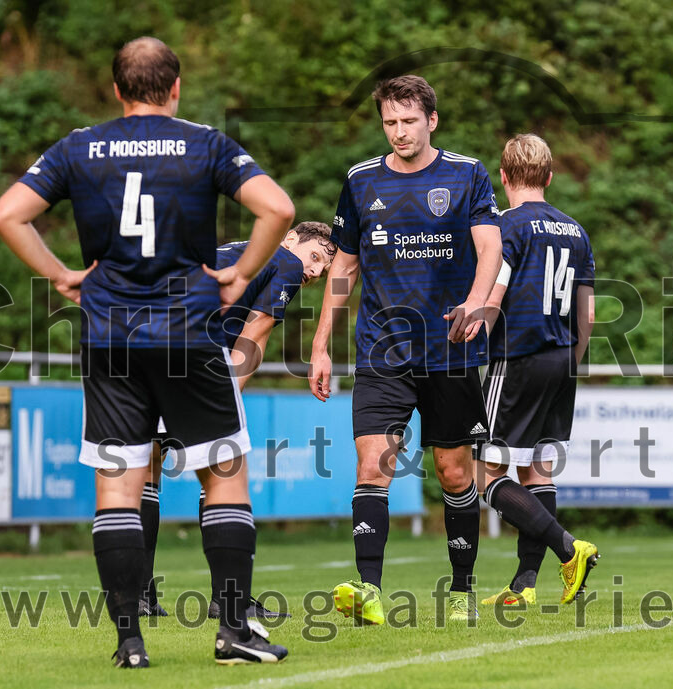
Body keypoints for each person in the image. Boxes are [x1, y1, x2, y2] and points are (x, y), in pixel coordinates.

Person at [0, 37, 295, 666]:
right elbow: (278, 208)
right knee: (224, 474)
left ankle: (129, 642)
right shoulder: (205, 143)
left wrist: (60, 275)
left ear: (116, 90)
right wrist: (241, 274)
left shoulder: (80, 146)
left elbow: (6, 215)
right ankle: (233, 632)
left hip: (110, 339)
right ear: (176, 87)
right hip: (188, 334)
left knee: (119, 486)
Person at [309, 75, 502, 624]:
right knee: (373, 464)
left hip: (451, 349)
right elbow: (344, 267)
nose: (399, 131)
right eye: (390, 122)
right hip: (382, 350)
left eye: (409, 121)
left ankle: (462, 590)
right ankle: (368, 589)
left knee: (454, 473)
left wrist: (475, 303)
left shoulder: (466, 174)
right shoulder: (361, 180)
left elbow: (491, 247)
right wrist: (321, 344)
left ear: (432, 121)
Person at [139, 222, 336, 618]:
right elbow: (256, 331)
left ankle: (139, 595)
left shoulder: (242, 249)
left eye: (322, 270)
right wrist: (225, 396)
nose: (314, 271)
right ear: (291, 238)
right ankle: (228, 598)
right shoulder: (284, 261)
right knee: (224, 472)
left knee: (148, 470)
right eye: (314, 257)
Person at [472, 134, 598, 608]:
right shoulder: (576, 231)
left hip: (518, 357)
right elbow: (587, 313)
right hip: (563, 357)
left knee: (485, 474)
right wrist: (572, 359)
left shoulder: (505, 227)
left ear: (503, 177)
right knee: (537, 471)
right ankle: (524, 585)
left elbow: (493, 297)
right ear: (549, 176)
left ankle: (568, 548)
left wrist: (472, 351)